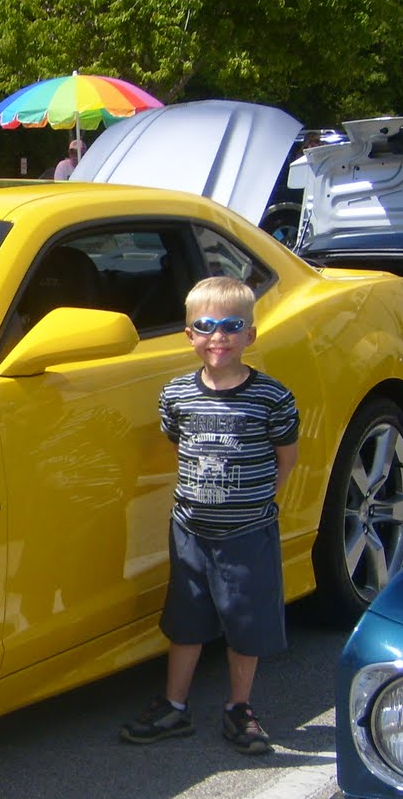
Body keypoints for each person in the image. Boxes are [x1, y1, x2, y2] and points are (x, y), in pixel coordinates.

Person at [120, 275, 299, 755]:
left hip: (248, 531)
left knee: (245, 621)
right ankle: (174, 705)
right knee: (186, 618)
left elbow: (286, 457)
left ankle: (239, 707)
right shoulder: (177, 394)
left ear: (250, 335)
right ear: (189, 335)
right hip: (190, 530)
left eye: (231, 326)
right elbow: (177, 441)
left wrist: (260, 500)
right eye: (205, 326)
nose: (218, 336)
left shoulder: (272, 398)